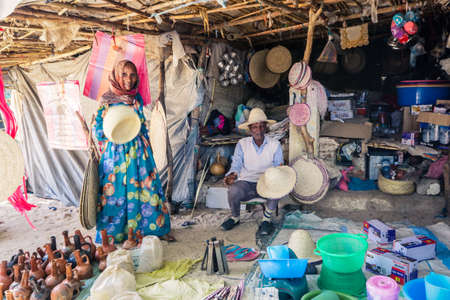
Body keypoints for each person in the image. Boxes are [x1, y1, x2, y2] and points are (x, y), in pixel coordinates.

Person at [93, 59, 174, 243]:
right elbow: (97, 129)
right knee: (116, 193)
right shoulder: (106, 100)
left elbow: (141, 123)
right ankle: (114, 235)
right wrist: (111, 140)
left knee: (148, 188)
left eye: (132, 75)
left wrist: (147, 145)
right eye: (124, 74)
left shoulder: (136, 98)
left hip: (138, 152)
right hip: (116, 155)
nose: (128, 79)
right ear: (115, 75)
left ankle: (155, 229)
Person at [221, 108, 283, 236]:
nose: (258, 130)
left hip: (267, 183)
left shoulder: (275, 144)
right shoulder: (242, 144)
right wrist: (232, 175)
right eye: (255, 127)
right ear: (250, 129)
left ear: (265, 127)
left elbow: (278, 167)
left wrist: (279, 174)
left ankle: (266, 219)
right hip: (247, 183)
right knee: (233, 190)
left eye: (261, 126)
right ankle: (235, 217)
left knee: (279, 188)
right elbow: (236, 165)